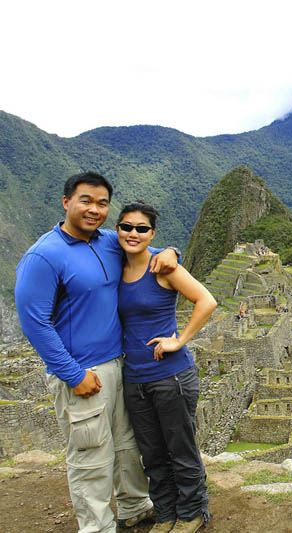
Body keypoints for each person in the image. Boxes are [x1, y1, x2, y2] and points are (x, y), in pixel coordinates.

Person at [15, 172, 179, 533]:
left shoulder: (107, 242)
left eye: (102, 203)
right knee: (91, 455)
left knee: (125, 444)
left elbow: (146, 248)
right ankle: (97, 526)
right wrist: (73, 375)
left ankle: (134, 506)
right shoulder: (44, 256)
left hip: (120, 365)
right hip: (81, 370)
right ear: (66, 202)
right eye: (86, 200)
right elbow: (35, 323)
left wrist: (172, 251)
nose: (94, 209)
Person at [116, 202, 216, 533]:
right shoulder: (116, 265)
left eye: (142, 228)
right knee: (152, 454)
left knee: (180, 448)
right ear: (117, 229)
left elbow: (206, 300)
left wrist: (180, 340)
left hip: (170, 376)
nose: (133, 233)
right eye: (127, 227)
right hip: (135, 379)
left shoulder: (163, 267)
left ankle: (191, 514)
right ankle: (164, 514)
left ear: (152, 234)